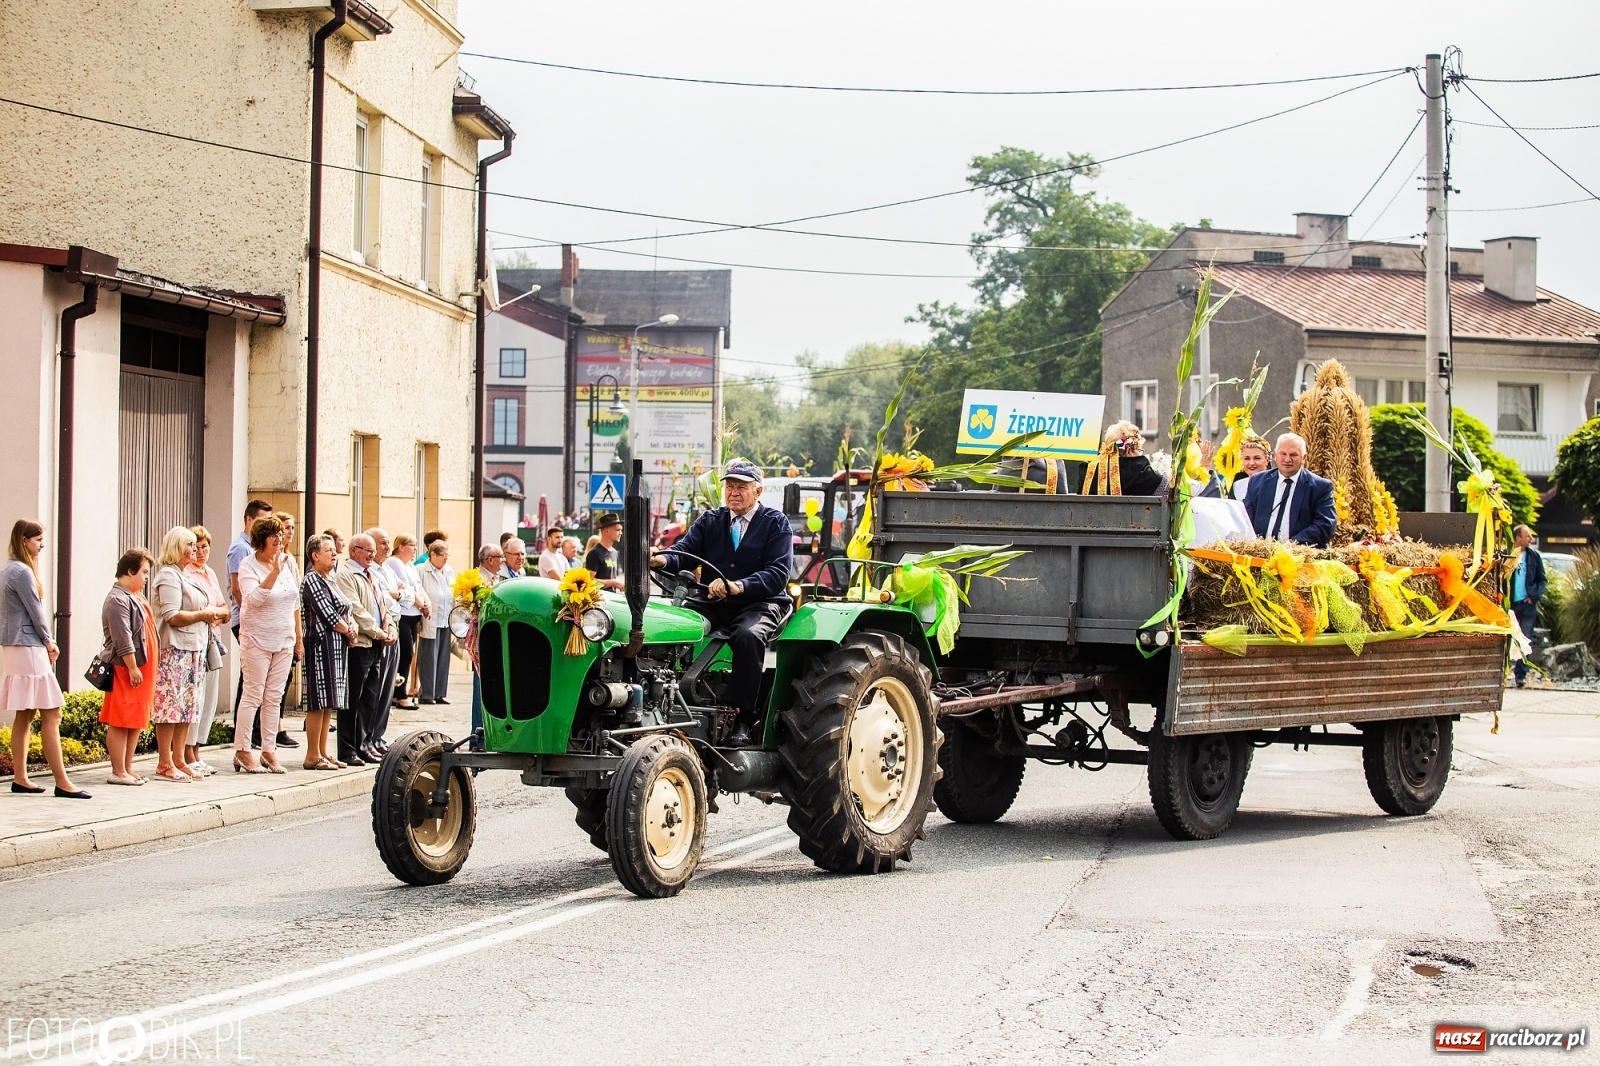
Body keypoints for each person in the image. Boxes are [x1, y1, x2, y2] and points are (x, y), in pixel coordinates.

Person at [651, 459, 795, 747]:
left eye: (741, 486)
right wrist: (660, 558)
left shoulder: (776, 524)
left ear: (758, 491)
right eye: (730, 486)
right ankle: (664, 702)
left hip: (759, 602)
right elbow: (684, 553)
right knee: (672, 626)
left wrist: (737, 586)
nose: (734, 492)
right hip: (712, 601)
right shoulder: (710, 521)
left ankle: (742, 719)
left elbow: (778, 574)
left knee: (747, 635)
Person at [3, 519, 87, 798]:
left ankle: (21, 778)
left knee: (25, 714)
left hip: (13, 646)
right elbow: (36, 611)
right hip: (28, 646)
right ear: (24, 540)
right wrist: (49, 640)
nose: (41, 545)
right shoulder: (22, 572)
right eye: (38, 540)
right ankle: (63, 782)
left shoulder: (6, 570)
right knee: (52, 712)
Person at [150, 527, 226, 782]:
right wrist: (205, 615)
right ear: (176, 547)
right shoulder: (168, 576)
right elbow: (172, 615)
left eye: (196, 545)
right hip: (174, 650)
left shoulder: (189, 575)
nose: (195, 550)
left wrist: (209, 613)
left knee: (188, 708)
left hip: (194, 649)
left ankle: (180, 759)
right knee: (171, 706)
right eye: (190, 545)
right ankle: (164, 762)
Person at [234, 515, 302, 774]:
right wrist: (273, 572)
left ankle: (269, 750)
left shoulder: (289, 563)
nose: (279, 541)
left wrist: (298, 638)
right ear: (261, 541)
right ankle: (242, 749)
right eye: (274, 537)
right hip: (256, 639)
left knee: (274, 697)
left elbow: (295, 602)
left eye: (281, 536)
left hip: (284, 639)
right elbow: (254, 600)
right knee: (253, 695)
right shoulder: (248, 565)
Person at [98, 549, 157, 790]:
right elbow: (123, 639)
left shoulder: (135, 596)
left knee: (135, 719)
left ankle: (128, 767)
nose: (145, 578)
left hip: (141, 670)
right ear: (130, 571)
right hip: (125, 668)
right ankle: (118, 770)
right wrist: (133, 667)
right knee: (121, 719)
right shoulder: (117, 600)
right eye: (143, 572)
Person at [336, 534, 393, 765]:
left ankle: (365, 743)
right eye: (366, 550)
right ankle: (348, 749)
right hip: (360, 643)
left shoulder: (372, 575)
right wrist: (379, 632)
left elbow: (383, 606)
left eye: (372, 550)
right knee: (353, 700)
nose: (372, 554)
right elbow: (356, 610)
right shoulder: (346, 575)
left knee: (370, 698)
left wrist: (391, 628)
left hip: (376, 643)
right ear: (353, 551)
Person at [300, 534, 355, 768]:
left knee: (329, 702)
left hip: (337, 647)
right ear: (314, 555)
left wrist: (351, 627)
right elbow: (329, 615)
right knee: (317, 700)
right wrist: (349, 631)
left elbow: (345, 609)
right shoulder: (311, 580)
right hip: (319, 646)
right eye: (328, 550)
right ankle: (312, 754)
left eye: (334, 550)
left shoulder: (330, 579)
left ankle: (323, 751)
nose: (334, 554)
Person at [184, 526, 230, 775]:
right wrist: (211, 614)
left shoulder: (209, 572)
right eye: (196, 547)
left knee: (209, 698)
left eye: (205, 547)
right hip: (197, 642)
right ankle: (187, 751)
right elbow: (199, 608)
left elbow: (224, 608)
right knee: (195, 698)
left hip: (214, 641)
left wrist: (216, 614)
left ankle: (198, 748)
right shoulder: (187, 573)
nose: (201, 552)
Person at [1242, 433, 1338, 549]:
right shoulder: (1257, 482)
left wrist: (1291, 545)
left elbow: (1325, 525)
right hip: (1260, 554)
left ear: (1304, 458)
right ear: (1275, 455)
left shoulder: (1320, 487)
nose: (1287, 459)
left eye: (1293, 455)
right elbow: (1245, 518)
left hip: (1299, 556)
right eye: (1283, 454)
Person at [228, 499, 273, 727]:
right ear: (249, 519)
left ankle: (256, 728)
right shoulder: (241, 548)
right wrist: (250, 619)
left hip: (263, 622)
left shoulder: (258, 550)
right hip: (247, 620)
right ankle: (244, 727)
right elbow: (237, 589)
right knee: (251, 676)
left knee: (260, 678)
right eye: (262, 522)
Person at [365, 528, 404, 754]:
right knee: (376, 690)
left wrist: (398, 594)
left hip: (394, 627)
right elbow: (386, 600)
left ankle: (378, 736)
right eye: (382, 543)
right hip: (381, 633)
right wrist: (396, 595)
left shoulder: (387, 570)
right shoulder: (371, 572)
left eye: (388, 542)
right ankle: (368, 738)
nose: (387, 547)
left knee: (388, 689)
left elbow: (405, 595)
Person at [385, 533, 428, 711]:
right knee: (406, 653)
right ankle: (400, 693)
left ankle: (399, 692)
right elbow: (406, 588)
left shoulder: (409, 565)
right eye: (411, 545)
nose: (415, 549)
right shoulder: (394, 562)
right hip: (403, 614)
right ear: (401, 547)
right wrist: (421, 603)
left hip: (414, 615)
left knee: (409, 654)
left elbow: (418, 587)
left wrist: (427, 603)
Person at [1508, 524, 1548, 689]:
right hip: (1510, 604)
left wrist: (1534, 596)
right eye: (1527, 536)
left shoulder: (1534, 556)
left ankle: (1520, 676)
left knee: (1525, 639)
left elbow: (1542, 579)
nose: (1530, 539)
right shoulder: (1508, 554)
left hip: (1527, 605)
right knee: (1507, 639)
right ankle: (1503, 672)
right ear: (1518, 538)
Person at [416, 539, 455, 705]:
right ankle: (427, 693)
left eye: (447, 555)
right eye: (442, 555)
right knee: (428, 657)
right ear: (432, 555)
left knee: (443, 657)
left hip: (445, 619)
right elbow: (418, 592)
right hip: (429, 619)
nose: (445, 558)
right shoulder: (421, 570)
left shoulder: (448, 571)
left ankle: (439, 693)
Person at [1083, 422, 1164, 496]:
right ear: (1128, 450)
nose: (1140, 454)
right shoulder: (1142, 475)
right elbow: (1165, 486)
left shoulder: (1088, 471)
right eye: (1139, 450)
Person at [585, 514, 624, 591]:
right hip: (599, 600)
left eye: (621, 530)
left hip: (612, 599)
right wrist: (613, 583)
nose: (621, 533)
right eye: (618, 530)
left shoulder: (615, 552)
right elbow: (589, 581)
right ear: (607, 530)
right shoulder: (595, 553)